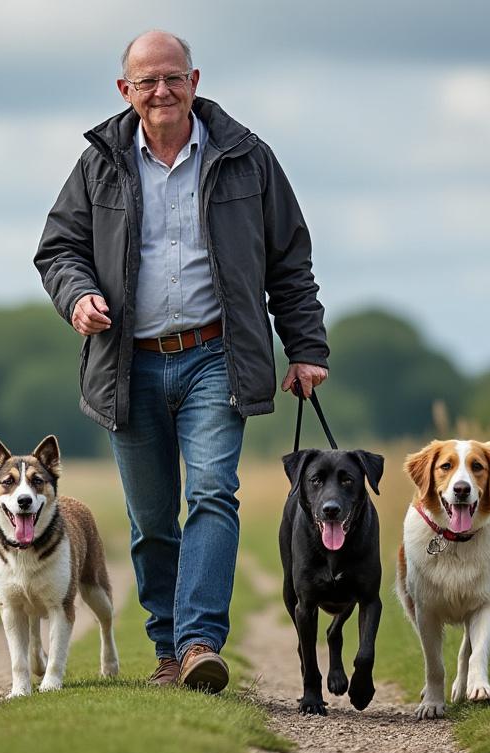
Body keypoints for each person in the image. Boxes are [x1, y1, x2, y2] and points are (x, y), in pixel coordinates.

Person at [33, 29, 329, 692]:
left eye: (173, 78)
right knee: (150, 518)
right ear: (125, 91)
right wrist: (77, 296)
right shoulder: (100, 163)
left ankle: (199, 643)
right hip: (126, 363)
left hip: (216, 355)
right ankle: (167, 649)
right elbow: (58, 249)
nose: (162, 92)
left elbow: (289, 258)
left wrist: (306, 347)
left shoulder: (247, 158)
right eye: (148, 82)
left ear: (195, 81)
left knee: (214, 493)